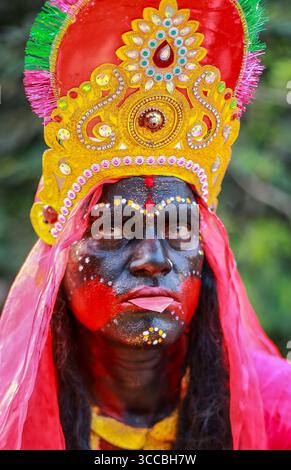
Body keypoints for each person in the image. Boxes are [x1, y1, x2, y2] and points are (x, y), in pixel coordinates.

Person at [0, 0, 291, 450]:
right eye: (115, 230)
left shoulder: (279, 406)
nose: (153, 259)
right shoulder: (9, 408)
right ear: (62, 253)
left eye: (179, 231)